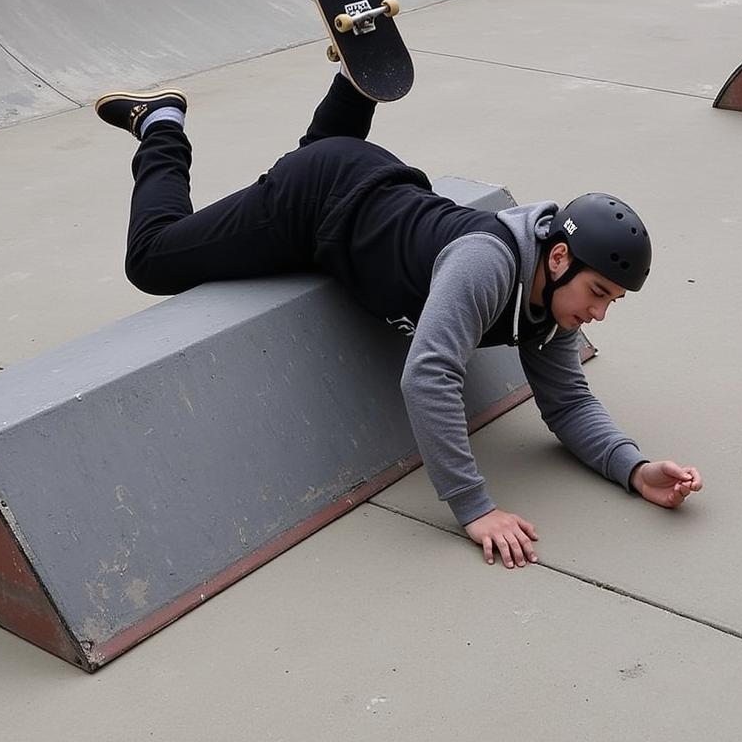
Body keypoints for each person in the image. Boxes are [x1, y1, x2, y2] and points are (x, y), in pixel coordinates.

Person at [96, 69, 702, 569]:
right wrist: (474, 506)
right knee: (152, 259)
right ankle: (161, 125)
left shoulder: (550, 301)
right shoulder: (486, 265)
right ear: (561, 256)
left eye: (611, 303)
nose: (596, 313)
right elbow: (428, 377)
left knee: (328, 151)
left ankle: (359, 80)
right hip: (316, 202)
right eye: (597, 293)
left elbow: (567, 403)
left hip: (371, 179)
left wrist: (636, 469)